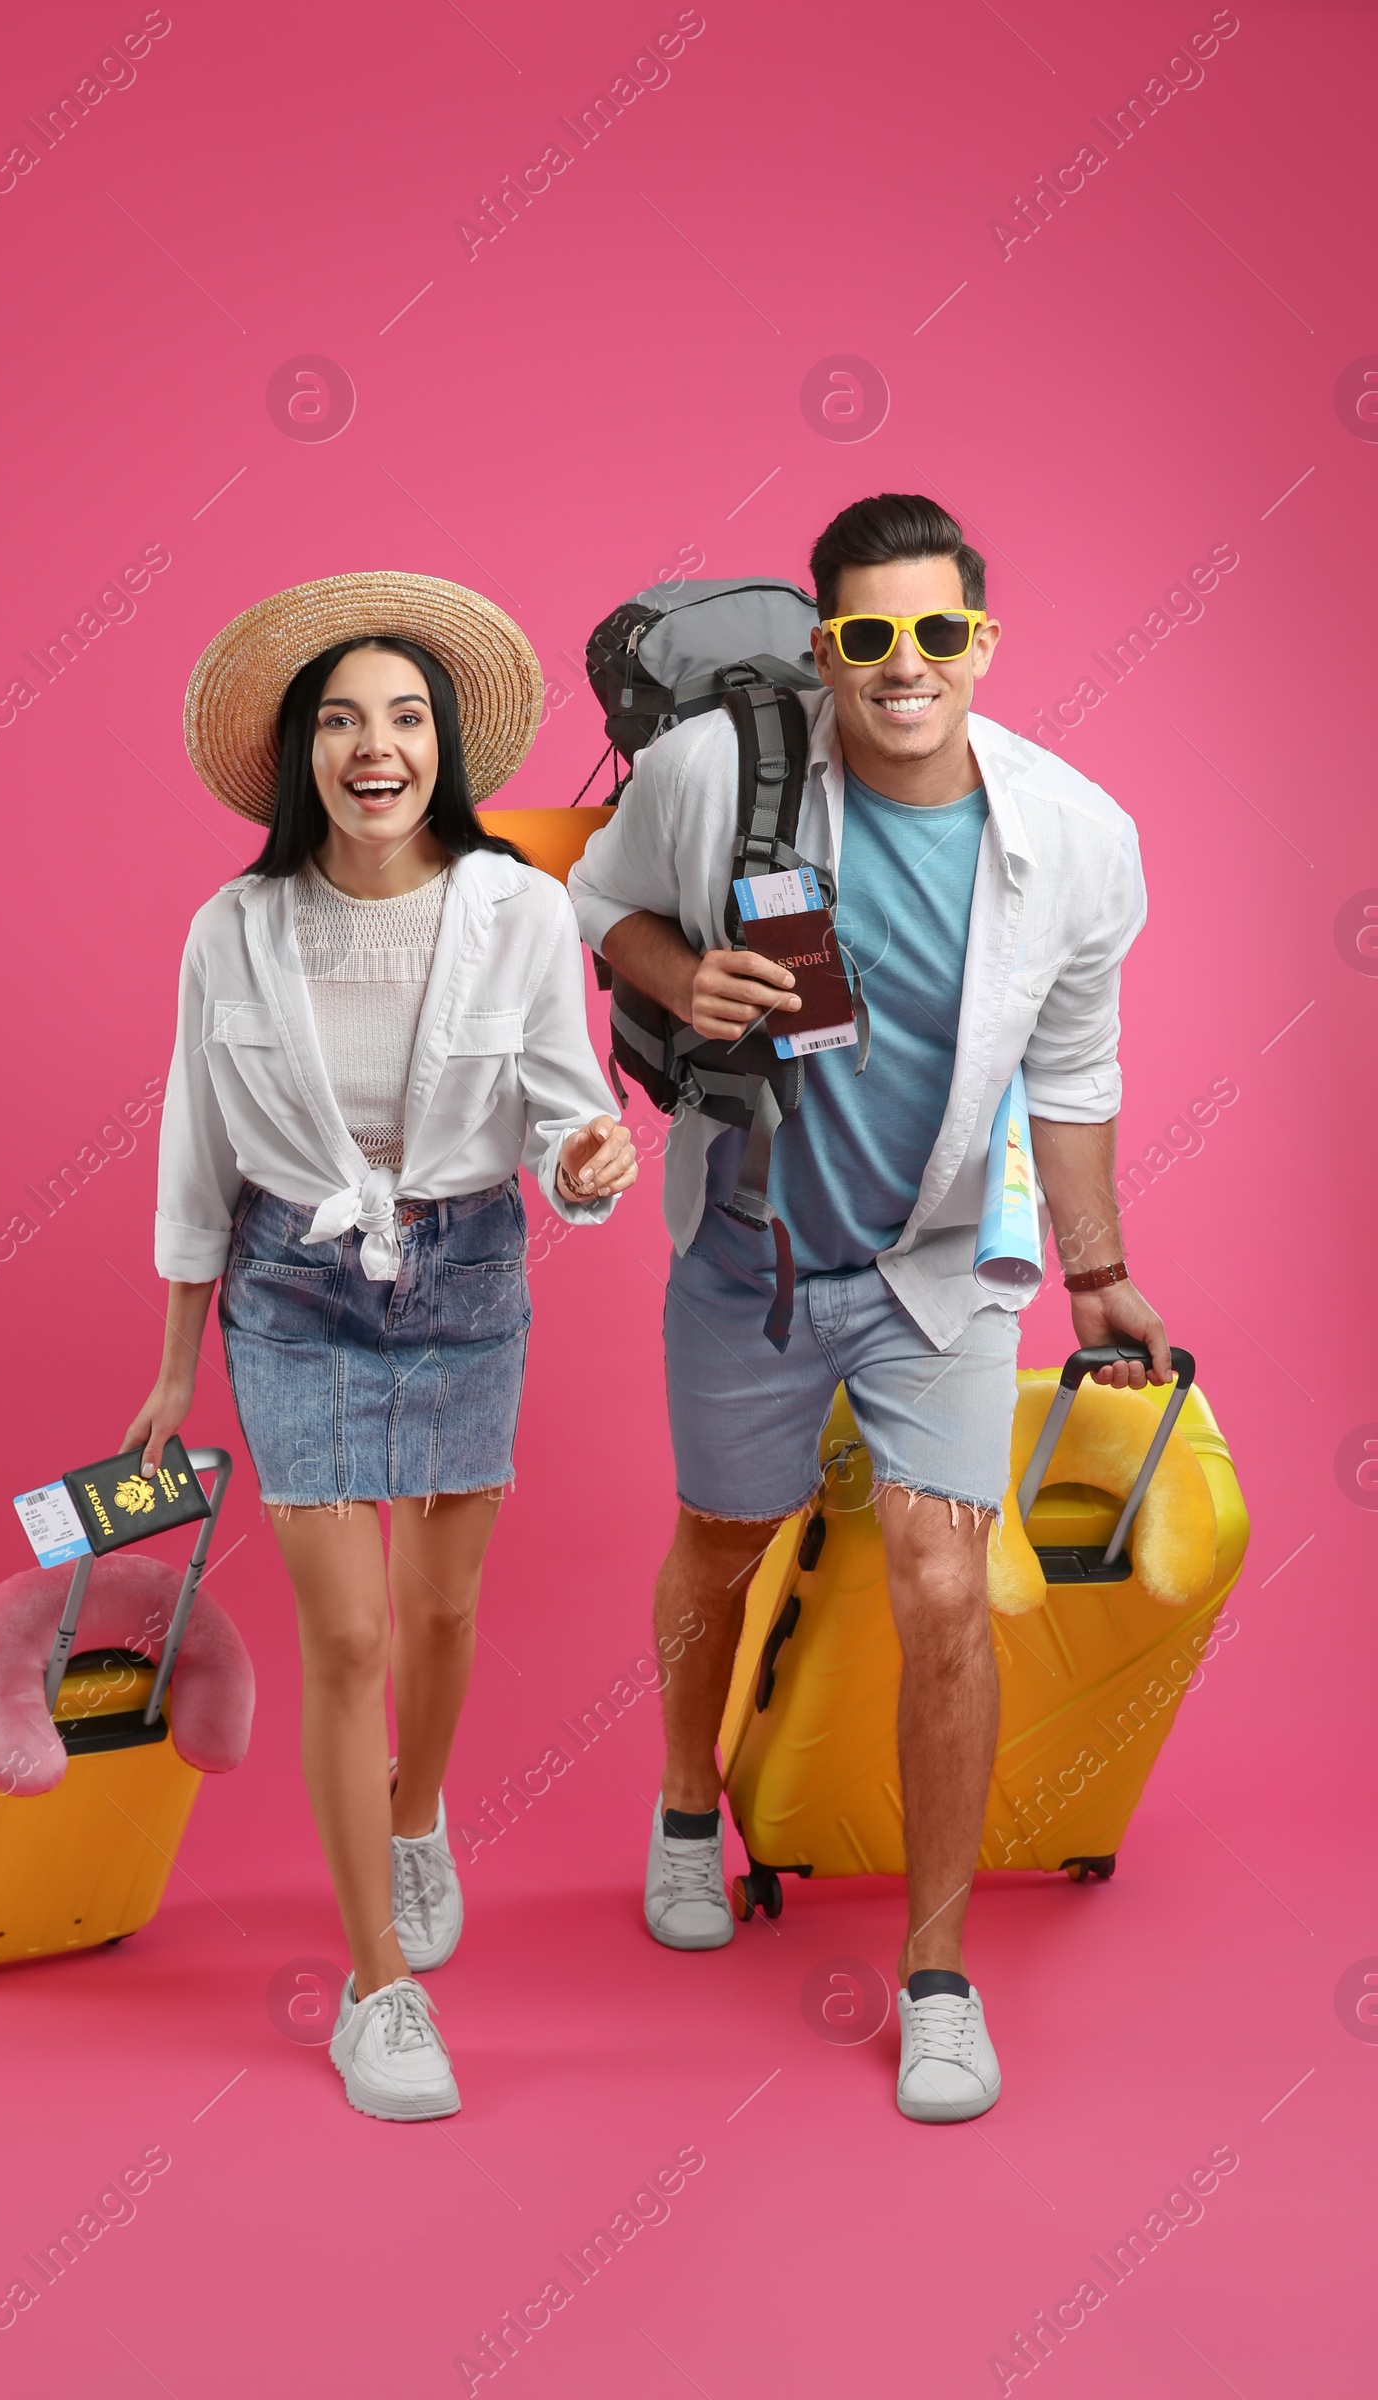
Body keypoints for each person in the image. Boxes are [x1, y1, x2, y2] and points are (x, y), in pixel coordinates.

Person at [568, 493, 1170, 2122]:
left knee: (939, 1579)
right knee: (722, 1537)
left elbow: (1076, 1071)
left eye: (940, 633)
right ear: (826, 643)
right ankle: (688, 1805)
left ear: (987, 641)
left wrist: (1100, 1272)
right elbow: (591, 901)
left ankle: (938, 1974)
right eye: (868, 637)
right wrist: (676, 977)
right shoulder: (720, 775)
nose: (907, 667)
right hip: (749, 1252)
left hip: (938, 1269)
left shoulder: (1080, 835)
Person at [128, 573, 635, 2123]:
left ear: (442, 747)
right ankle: (377, 1990)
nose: (375, 746)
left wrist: (591, 1157)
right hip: (294, 1287)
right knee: (346, 1641)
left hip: (469, 1265)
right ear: (300, 753)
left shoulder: (519, 907)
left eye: (405, 717)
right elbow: (193, 1145)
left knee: (440, 1612)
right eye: (341, 719)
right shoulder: (237, 925)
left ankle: (416, 1822)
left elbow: (565, 1100)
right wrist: (171, 1363)